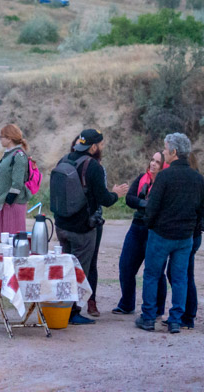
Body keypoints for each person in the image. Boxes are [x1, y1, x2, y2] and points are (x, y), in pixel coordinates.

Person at [53, 129, 129, 324]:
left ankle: (61, 308)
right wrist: (116, 194)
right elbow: (105, 199)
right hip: (82, 230)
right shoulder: (92, 166)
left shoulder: (64, 160)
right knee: (79, 271)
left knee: (65, 269)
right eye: (101, 145)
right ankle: (72, 312)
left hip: (61, 226)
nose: (102, 148)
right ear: (93, 147)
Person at [136, 133, 204, 334]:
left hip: (161, 235)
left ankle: (149, 318)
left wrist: (149, 224)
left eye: (166, 149)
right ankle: (176, 319)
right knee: (179, 278)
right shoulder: (197, 178)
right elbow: (203, 209)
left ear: (174, 152)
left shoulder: (165, 176)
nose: (164, 152)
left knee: (151, 275)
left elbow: (153, 207)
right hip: (185, 238)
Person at [113, 151, 167, 317]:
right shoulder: (142, 178)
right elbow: (129, 199)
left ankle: (158, 309)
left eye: (157, 162)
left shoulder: (166, 183)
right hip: (137, 227)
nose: (153, 164)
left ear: (163, 166)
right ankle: (127, 304)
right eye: (152, 160)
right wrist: (145, 204)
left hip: (155, 230)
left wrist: (142, 204)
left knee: (156, 271)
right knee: (125, 266)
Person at [179, 149, 204, 330]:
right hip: (195, 234)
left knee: (184, 275)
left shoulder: (189, 181)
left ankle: (187, 316)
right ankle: (187, 315)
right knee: (185, 274)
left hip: (188, 234)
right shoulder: (199, 179)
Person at [0, 123, 32, 237]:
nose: (0, 140)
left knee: (12, 240)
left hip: (13, 205)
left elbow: (17, 183)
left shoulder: (18, 156)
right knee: (2, 240)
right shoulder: (9, 155)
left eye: (1, 137)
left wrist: (8, 201)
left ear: (9, 138)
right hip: (4, 204)